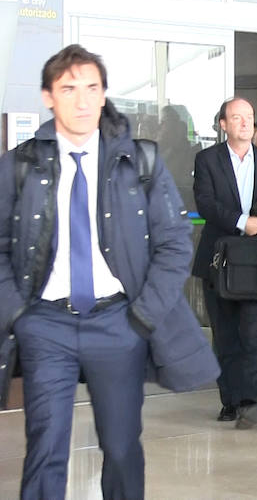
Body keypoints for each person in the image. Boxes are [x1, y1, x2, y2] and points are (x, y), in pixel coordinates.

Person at [0, 44, 218, 500]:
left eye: (91, 88)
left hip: (118, 324)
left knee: (121, 449)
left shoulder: (139, 163)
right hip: (46, 325)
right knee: (46, 446)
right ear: (47, 97)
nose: (81, 101)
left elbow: (175, 243)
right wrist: (20, 314)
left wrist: (142, 318)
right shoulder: (20, 165)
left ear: (104, 95)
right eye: (68, 89)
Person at [192, 97, 257, 428]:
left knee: (251, 332)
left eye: (249, 117)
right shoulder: (207, 159)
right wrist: (241, 221)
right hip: (219, 260)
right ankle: (230, 400)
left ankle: (251, 400)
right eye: (237, 117)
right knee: (225, 335)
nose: (245, 123)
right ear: (223, 125)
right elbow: (205, 203)